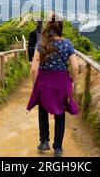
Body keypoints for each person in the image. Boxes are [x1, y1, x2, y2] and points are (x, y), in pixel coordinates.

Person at [26, 13, 79, 157]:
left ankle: (44, 142)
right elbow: (75, 67)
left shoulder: (41, 43)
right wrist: (72, 81)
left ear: (48, 26)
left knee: (43, 111)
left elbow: (34, 68)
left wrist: (34, 85)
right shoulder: (67, 43)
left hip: (44, 81)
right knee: (60, 113)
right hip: (62, 83)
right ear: (61, 26)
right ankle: (58, 148)